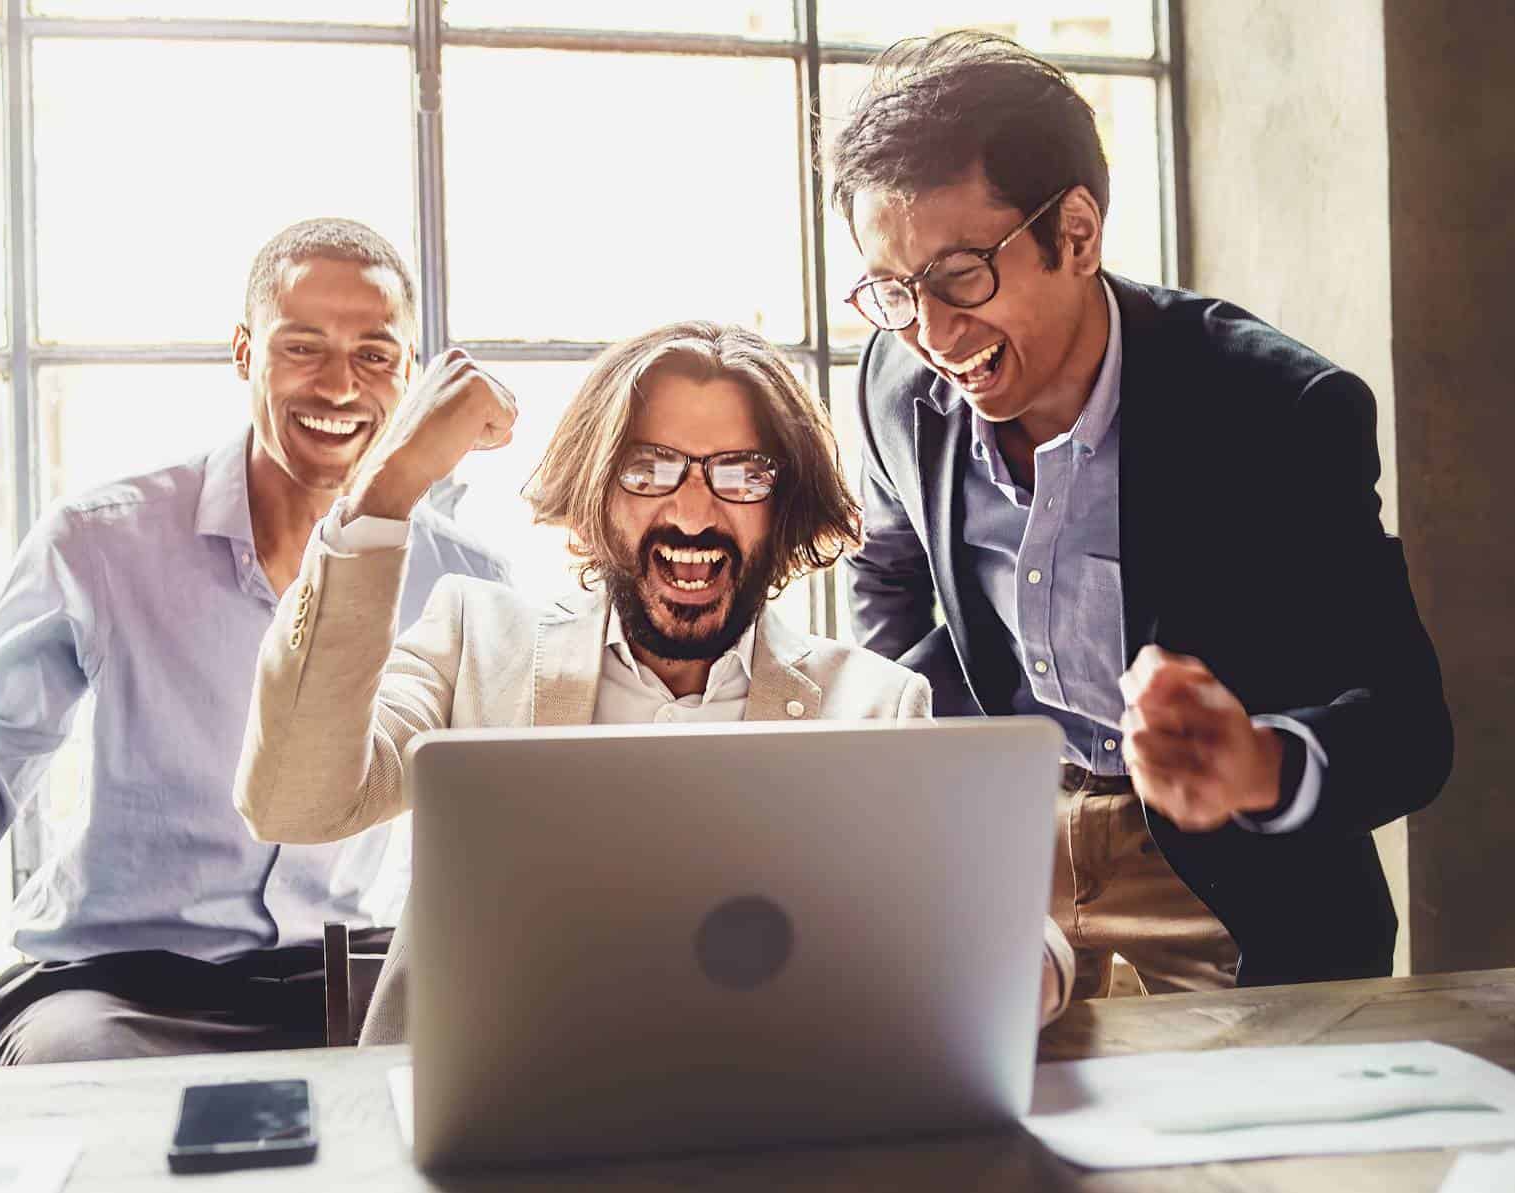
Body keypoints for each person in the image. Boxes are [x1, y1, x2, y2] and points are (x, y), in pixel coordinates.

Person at [830, 33, 1453, 1048]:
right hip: (1002, 844)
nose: (932, 335)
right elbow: (890, 571)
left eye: (960, 277)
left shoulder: (1279, 409)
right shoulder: (895, 384)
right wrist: (917, 754)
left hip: (1224, 877)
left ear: (1076, 232)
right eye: (892, 290)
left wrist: (1258, 763)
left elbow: (1410, 728)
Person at [233, 320, 1078, 1043]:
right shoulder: (473, 639)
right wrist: (387, 488)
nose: (693, 511)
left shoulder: (875, 704)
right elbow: (293, 802)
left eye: (742, 472)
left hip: (754, 1137)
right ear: (597, 492)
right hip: (488, 1146)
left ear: (783, 506)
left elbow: (1012, 935)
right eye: (649, 468)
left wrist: (1016, 968)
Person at [0, 218, 504, 1063]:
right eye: (302, 348)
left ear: (412, 377)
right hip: (122, 991)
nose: (337, 387)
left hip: (353, 985)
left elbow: (508, 836)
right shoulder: (102, 543)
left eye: (373, 354)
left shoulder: (461, 578)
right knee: (73, 1072)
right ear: (244, 352)